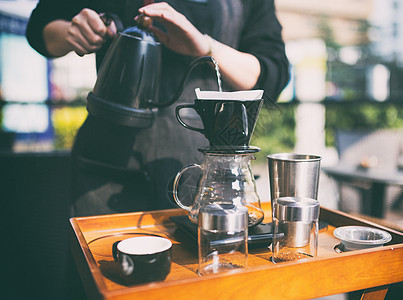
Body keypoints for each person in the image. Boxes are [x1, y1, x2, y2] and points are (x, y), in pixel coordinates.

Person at [26, 0, 290, 217]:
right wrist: (72, 32)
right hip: (106, 163)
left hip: (202, 170)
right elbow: (40, 27)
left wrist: (205, 46)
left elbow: (272, 74)